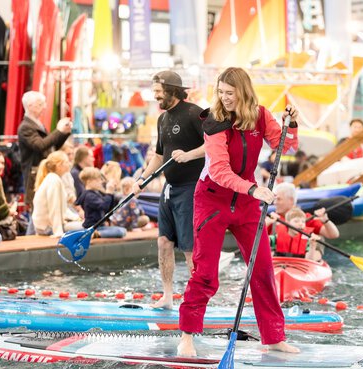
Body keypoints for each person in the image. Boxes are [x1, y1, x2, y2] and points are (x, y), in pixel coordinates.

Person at [178, 67, 299, 357]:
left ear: (243, 92)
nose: (224, 98)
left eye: (229, 93)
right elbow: (219, 170)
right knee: (206, 274)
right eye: (220, 92)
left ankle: (273, 337)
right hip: (212, 200)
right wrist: (254, 189)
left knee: (263, 270)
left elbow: (288, 147)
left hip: (245, 205)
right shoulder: (215, 121)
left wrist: (291, 124)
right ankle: (187, 335)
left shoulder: (260, 115)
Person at [131, 70, 205, 310]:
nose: (155, 97)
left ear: (173, 90)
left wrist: (189, 155)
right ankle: (168, 296)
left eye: (158, 92)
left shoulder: (195, 113)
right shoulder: (162, 119)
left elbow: (214, 145)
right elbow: (159, 155)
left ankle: (196, 300)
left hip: (191, 188)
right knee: (163, 242)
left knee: (189, 247)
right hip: (169, 188)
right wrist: (141, 179)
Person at [17, 91, 72, 214]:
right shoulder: (26, 127)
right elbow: (40, 145)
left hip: (43, 174)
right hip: (35, 176)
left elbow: (51, 146)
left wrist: (64, 133)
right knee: (38, 212)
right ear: (30, 106)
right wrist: (58, 131)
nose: (44, 107)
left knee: (44, 212)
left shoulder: (37, 124)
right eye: (40, 104)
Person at [32, 151, 82, 238]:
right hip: (47, 228)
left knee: (86, 224)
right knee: (87, 227)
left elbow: (62, 208)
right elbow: (54, 207)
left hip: (47, 226)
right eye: (66, 162)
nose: (69, 164)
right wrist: (58, 232)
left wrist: (76, 218)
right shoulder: (53, 180)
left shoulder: (54, 178)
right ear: (59, 166)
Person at [266, 182, 340, 241]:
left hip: (300, 258)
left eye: (279, 199)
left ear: (291, 200)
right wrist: (266, 223)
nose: (275, 202)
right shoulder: (272, 218)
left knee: (320, 240)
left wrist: (325, 221)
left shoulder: (305, 218)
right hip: (277, 258)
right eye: (275, 199)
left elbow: (334, 235)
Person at [76, 167, 126, 238]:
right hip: (92, 226)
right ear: (89, 181)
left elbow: (108, 208)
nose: (101, 181)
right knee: (120, 232)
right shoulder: (89, 195)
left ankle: (97, 233)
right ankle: (95, 234)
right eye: (98, 179)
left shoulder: (95, 193)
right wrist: (108, 193)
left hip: (100, 226)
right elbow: (103, 206)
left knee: (123, 230)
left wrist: (111, 194)